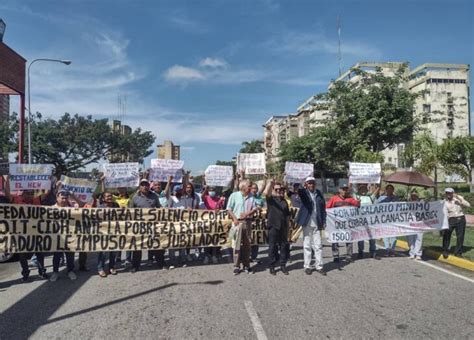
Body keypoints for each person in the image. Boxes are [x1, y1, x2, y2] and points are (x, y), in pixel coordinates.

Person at [128, 178, 162, 272]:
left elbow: (159, 208)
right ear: (140, 187)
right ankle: (135, 266)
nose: (145, 186)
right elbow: (130, 211)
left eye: (146, 185)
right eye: (142, 185)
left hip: (152, 225)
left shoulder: (154, 196)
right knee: (137, 246)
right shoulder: (135, 198)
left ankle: (161, 263)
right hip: (139, 225)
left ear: (149, 186)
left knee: (156, 244)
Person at [50, 190, 83, 282]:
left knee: (70, 255)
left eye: (65, 198)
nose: (64, 200)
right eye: (62, 198)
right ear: (57, 198)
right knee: (57, 255)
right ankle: (55, 272)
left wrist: (73, 196)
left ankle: (70, 271)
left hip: (69, 236)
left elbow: (81, 205)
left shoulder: (71, 208)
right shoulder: (51, 208)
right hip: (57, 236)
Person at [296, 177, 327, 276]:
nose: (311, 185)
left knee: (318, 246)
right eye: (309, 183)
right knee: (307, 245)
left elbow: (323, 208)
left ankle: (319, 266)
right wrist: (302, 184)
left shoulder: (319, 194)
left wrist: (324, 221)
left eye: (313, 183)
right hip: (307, 222)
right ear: (306, 184)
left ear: (315, 184)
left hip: (317, 223)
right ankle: (307, 266)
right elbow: (300, 191)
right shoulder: (304, 193)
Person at [227, 179, 258, 275]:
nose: (251, 188)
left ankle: (246, 265)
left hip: (247, 222)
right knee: (236, 245)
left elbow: (255, 208)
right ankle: (236, 266)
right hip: (237, 223)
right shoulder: (234, 195)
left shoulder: (252, 197)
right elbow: (229, 209)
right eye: (249, 186)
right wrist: (235, 219)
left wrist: (247, 213)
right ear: (243, 187)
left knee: (247, 245)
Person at [325, 184, 360, 263]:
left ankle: (349, 256)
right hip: (336, 224)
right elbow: (327, 208)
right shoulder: (334, 199)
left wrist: (358, 201)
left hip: (347, 224)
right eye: (343, 189)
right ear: (339, 190)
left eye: (346, 189)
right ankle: (336, 256)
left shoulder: (350, 199)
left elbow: (357, 205)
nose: (344, 191)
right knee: (335, 239)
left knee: (349, 239)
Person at [264, 179, 291, 275]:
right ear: (273, 190)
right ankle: (272, 266)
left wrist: (288, 228)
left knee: (283, 247)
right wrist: (270, 183)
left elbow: (288, 215)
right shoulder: (271, 200)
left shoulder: (284, 201)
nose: (279, 191)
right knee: (272, 247)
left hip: (283, 227)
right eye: (277, 190)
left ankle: (283, 265)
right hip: (273, 226)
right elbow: (266, 192)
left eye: (281, 189)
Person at [353, 183, 380, 259]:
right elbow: (350, 189)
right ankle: (360, 252)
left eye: (364, 189)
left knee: (372, 238)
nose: (363, 190)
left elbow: (377, 190)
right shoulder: (356, 196)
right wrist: (350, 178)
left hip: (370, 221)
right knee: (361, 238)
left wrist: (379, 178)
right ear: (359, 190)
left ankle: (373, 252)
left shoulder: (370, 197)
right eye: (361, 189)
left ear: (367, 189)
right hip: (361, 221)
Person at [201, 184, 226, 264]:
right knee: (206, 240)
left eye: (213, 190)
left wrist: (220, 208)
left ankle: (214, 255)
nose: (212, 191)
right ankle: (206, 256)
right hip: (207, 222)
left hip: (216, 222)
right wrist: (205, 189)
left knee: (215, 239)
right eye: (210, 190)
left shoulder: (218, 199)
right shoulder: (206, 198)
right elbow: (202, 197)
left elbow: (222, 209)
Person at [96, 192, 120, 277]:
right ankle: (100, 268)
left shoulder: (116, 205)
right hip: (103, 232)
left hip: (114, 231)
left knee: (113, 251)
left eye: (110, 196)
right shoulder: (100, 207)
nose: (109, 197)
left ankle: (112, 267)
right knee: (103, 252)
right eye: (107, 196)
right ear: (103, 198)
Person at [442, 187, 470, 258]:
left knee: (460, 236)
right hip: (450, 219)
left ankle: (458, 252)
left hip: (460, 218)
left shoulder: (458, 198)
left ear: (453, 193)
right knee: (447, 235)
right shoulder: (444, 202)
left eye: (450, 192)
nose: (448, 194)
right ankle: (445, 250)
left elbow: (468, 205)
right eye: (447, 193)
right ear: (445, 194)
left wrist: (459, 198)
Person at [377, 184, 400, 256]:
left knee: (394, 236)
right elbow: (377, 206)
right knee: (385, 235)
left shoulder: (396, 198)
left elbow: (399, 207)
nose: (390, 190)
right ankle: (387, 250)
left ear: (393, 190)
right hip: (384, 219)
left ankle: (392, 250)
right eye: (388, 189)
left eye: (391, 189)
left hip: (393, 219)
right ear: (386, 190)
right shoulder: (381, 198)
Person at [406, 190, 423, 260]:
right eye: (412, 195)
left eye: (415, 196)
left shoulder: (421, 203)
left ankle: (418, 254)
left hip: (419, 223)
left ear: (417, 196)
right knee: (410, 239)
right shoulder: (407, 203)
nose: (413, 197)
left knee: (419, 238)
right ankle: (412, 253)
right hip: (409, 223)